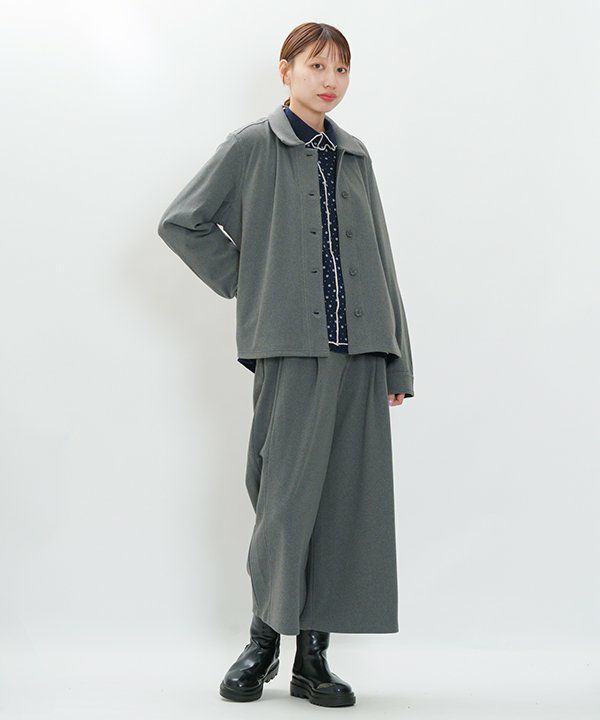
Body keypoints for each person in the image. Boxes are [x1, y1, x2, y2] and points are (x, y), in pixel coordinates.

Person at [157, 21, 415, 708]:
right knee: (284, 499)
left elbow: (381, 258)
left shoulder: (354, 155)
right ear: (286, 70)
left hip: (362, 351)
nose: (330, 80)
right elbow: (182, 221)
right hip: (291, 348)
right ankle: (264, 639)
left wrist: (398, 362)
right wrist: (254, 282)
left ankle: (313, 658)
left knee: (344, 503)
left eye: (341, 69)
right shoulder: (252, 145)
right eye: (316, 65)